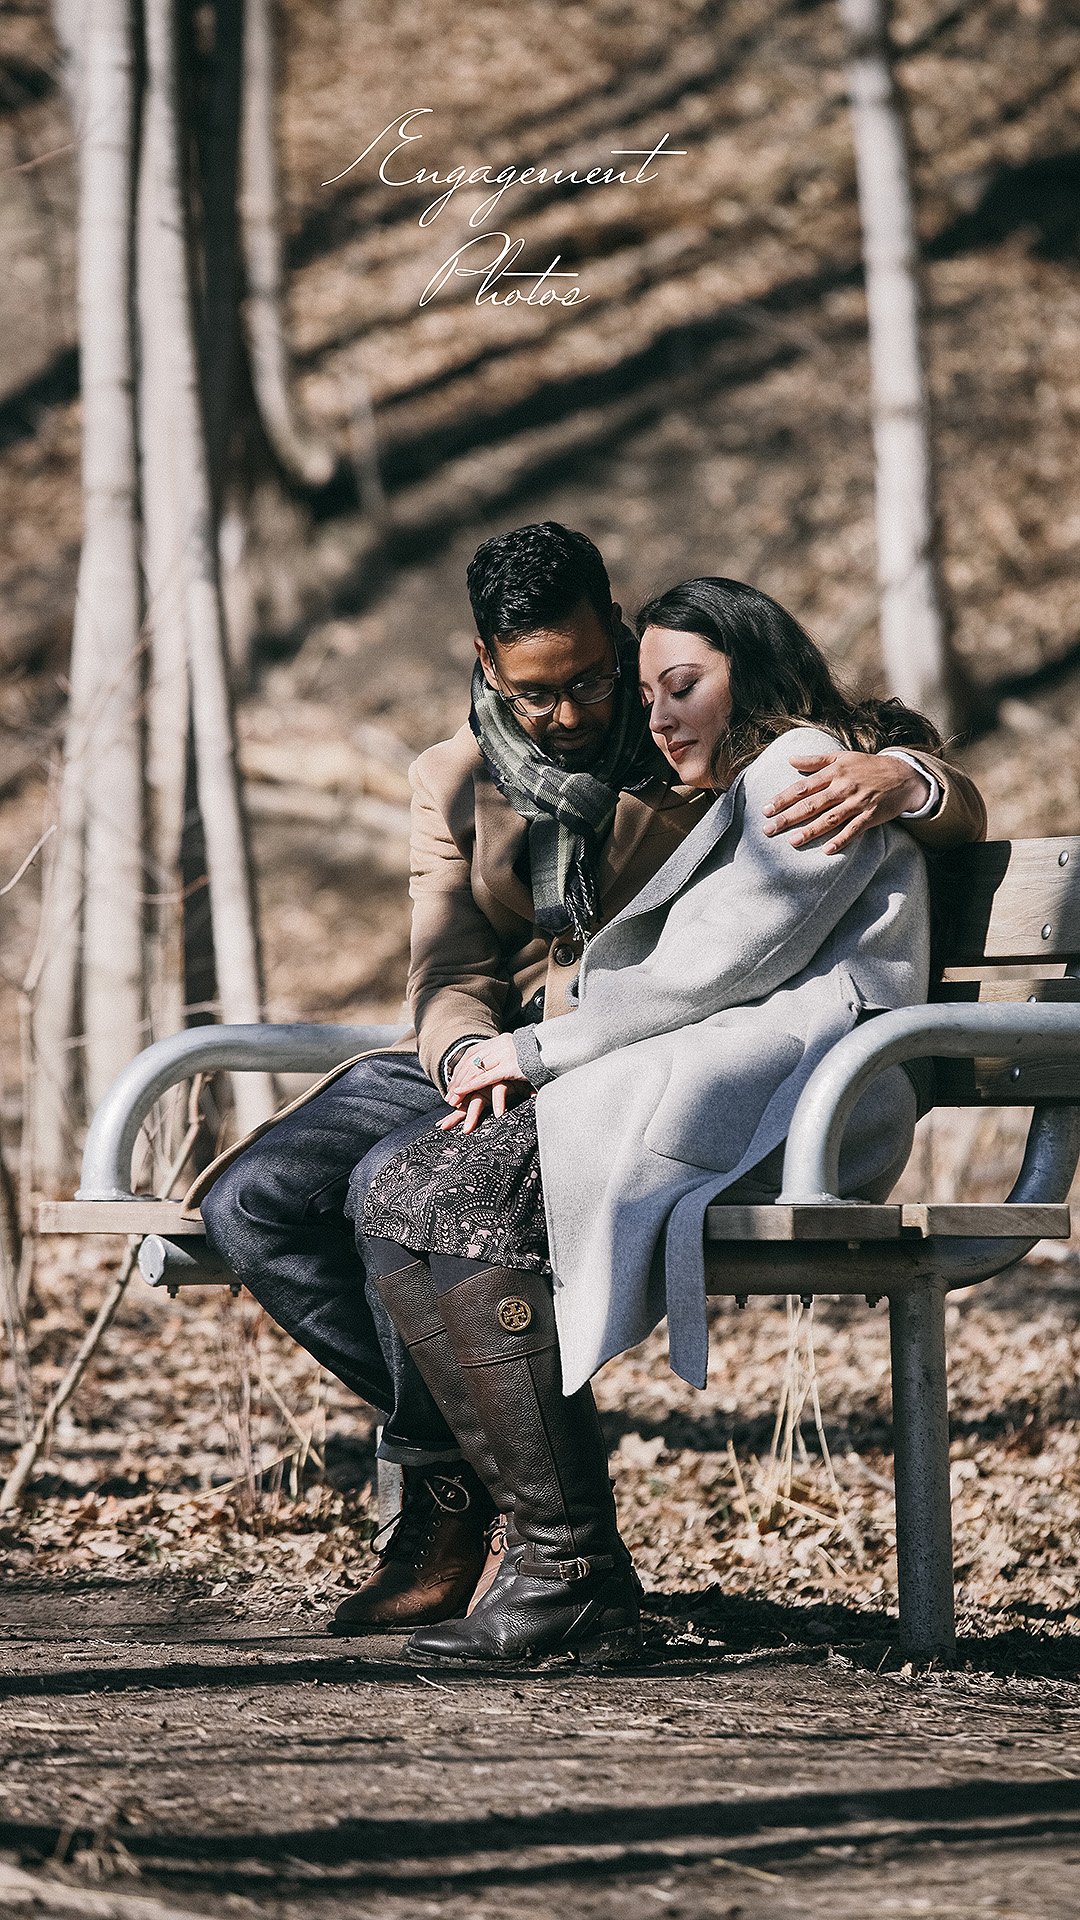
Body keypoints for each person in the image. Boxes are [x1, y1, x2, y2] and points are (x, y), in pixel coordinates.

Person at [195, 526, 985, 1636]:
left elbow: (816, 829)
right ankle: (471, 1478)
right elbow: (451, 968)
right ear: (483, 662)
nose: (570, 714)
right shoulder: (455, 777)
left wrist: (905, 774)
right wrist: (471, 1051)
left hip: (630, 1054)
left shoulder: (693, 734)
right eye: (534, 694)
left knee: (406, 1181)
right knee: (253, 1203)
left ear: (616, 634)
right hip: (506, 1052)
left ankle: (542, 1542)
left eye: (589, 681)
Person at [356, 576, 940, 1670]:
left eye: (684, 687)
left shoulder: (798, 769)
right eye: (651, 692)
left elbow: (707, 975)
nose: (658, 715)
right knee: (402, 1194)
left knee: (445, 1189)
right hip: (725, 1070)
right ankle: (556, 1559)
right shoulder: (749, 775)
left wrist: (526, 1050)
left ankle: (569, 1575)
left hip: (797, 1093)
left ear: (751, 674)